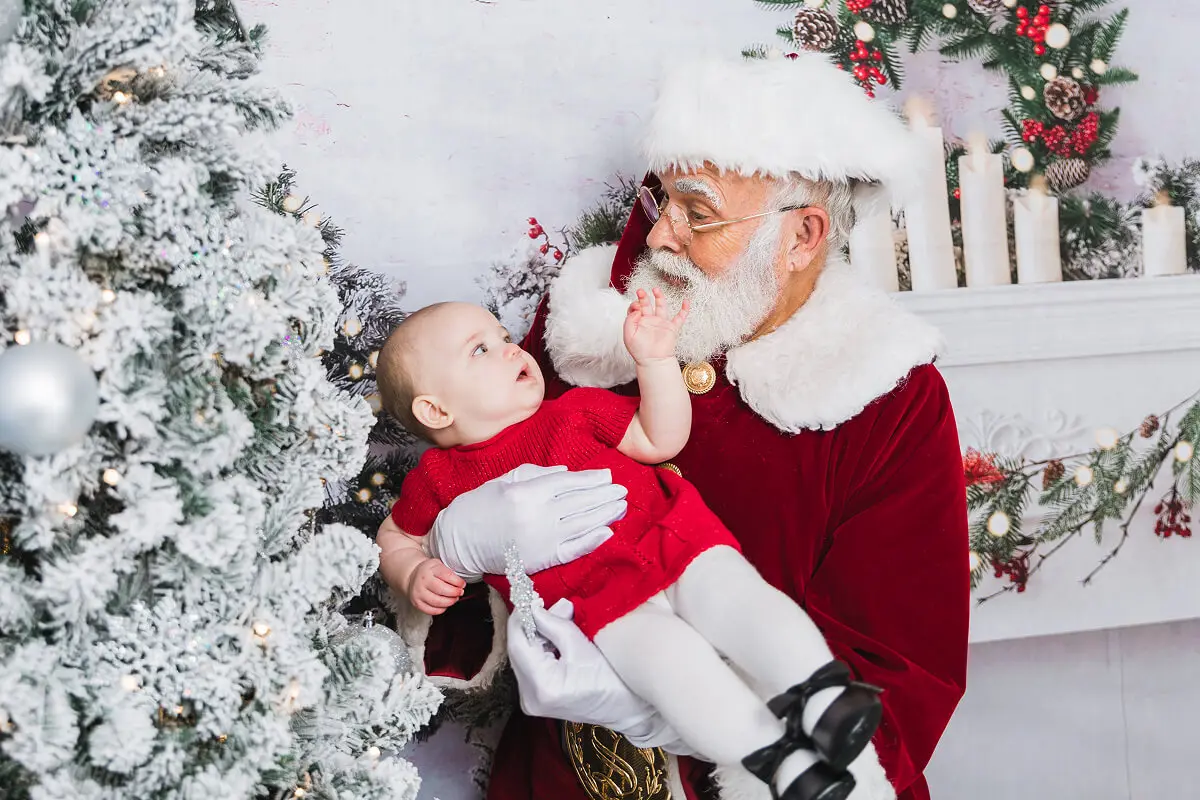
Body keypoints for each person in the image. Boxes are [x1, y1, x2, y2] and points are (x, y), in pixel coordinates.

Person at [379, 52, 969, 800]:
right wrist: (458, 547)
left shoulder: (888, 397)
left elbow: (901, 673)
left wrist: (663, 714)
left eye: (700, 212)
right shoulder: (583, 328)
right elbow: (466, 484)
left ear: (802, 236)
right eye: (661, 203)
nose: (660, 237)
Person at [375, 294, 885, 800]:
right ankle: (778, 761)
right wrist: (414, 570)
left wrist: (655, 362)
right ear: (435, 409)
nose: (510, 348)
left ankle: (821, 693)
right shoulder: (440, 479)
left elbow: (658, 438)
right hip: (598, 608)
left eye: (504, 337)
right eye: (480, 349)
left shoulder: (573, 411)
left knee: (743, 604)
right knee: (673, 672)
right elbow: (395, 537)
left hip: (673, 543)